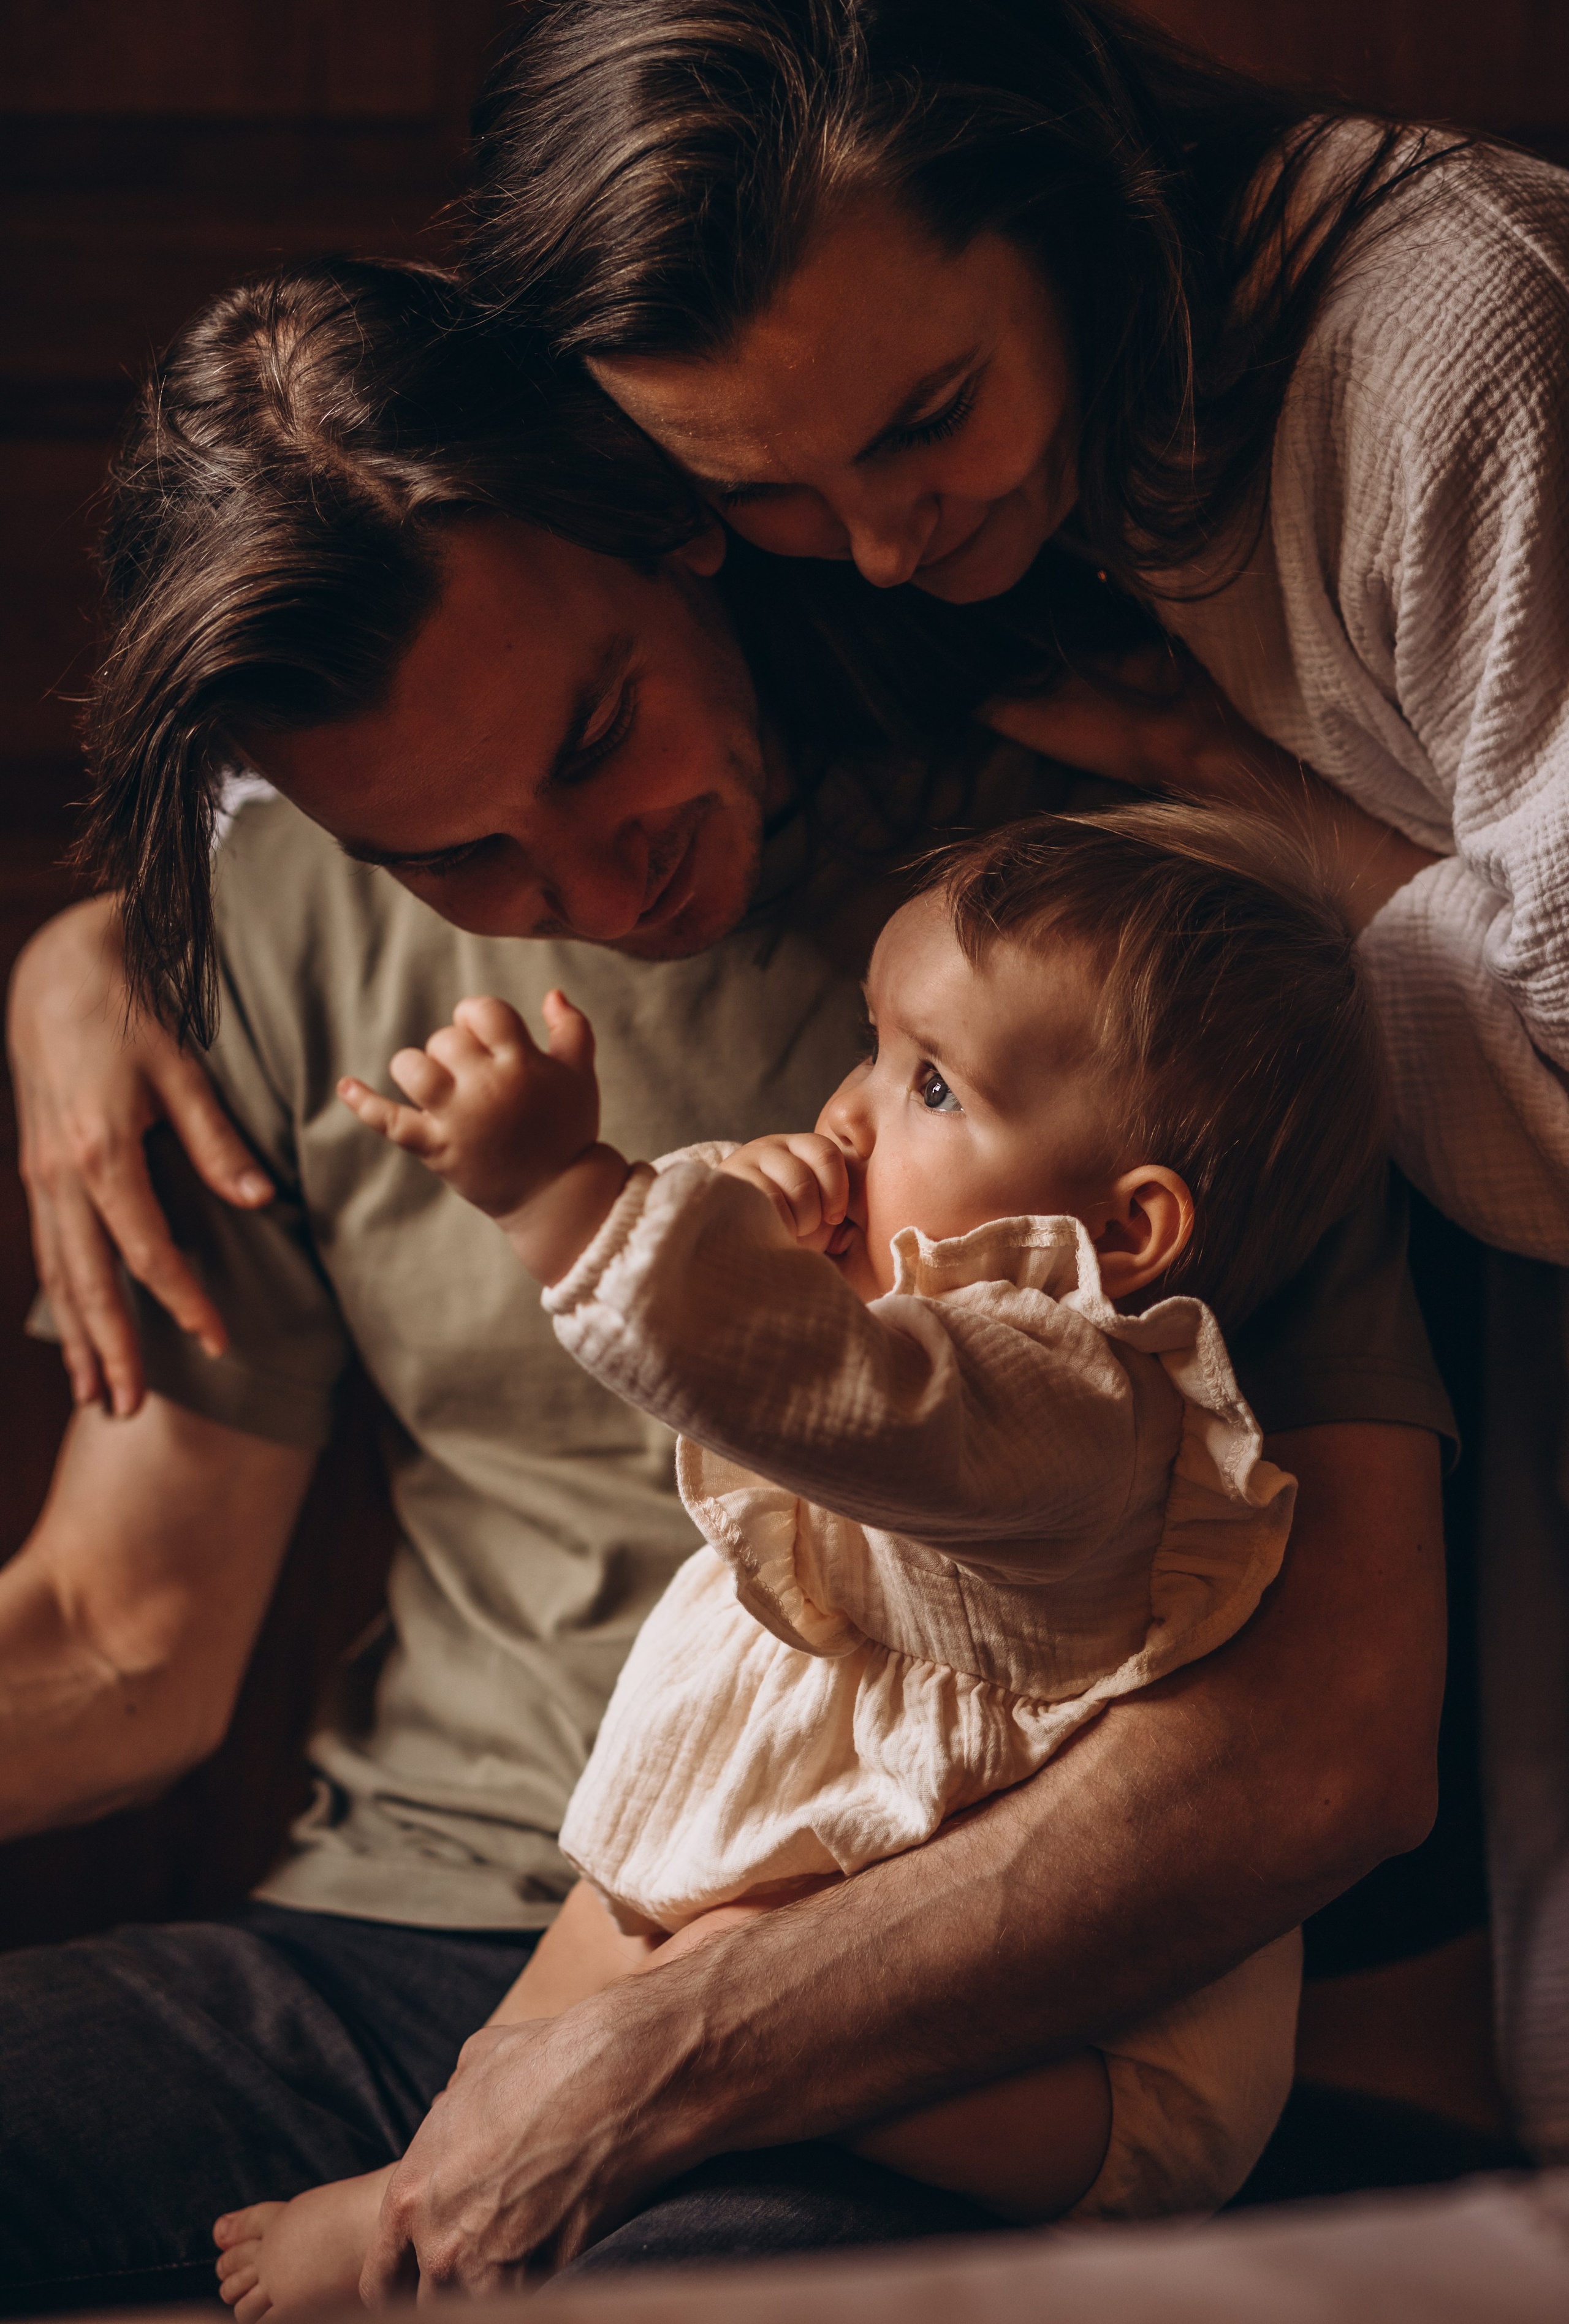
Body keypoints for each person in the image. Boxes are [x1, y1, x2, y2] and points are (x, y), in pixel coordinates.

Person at [0, 255, 1449, 2307]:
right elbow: (120, 1637)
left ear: (675, 531)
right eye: (454, 863)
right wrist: (97, 944)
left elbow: (1330, 1745)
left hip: (907, 1993)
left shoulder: (1094, 957)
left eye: (601, 739)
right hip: (383, 1941)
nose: (589, 896)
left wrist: (677, 2046)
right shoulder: (248, 935)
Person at [212, 801, 1387, 2320]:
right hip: (805, 1911)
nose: (848, 1113)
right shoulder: (932, 1329)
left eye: (930, 1087)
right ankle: (433, 2185)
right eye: (868, 1045)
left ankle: (404, 2221)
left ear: (1129, 1226)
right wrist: (735, 1205)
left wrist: (561, 1193)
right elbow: (768, 1334)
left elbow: (809, 1380)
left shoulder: (1081, 1401)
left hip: (1085, 2079)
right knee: (605, 1947)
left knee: (702, 1958)